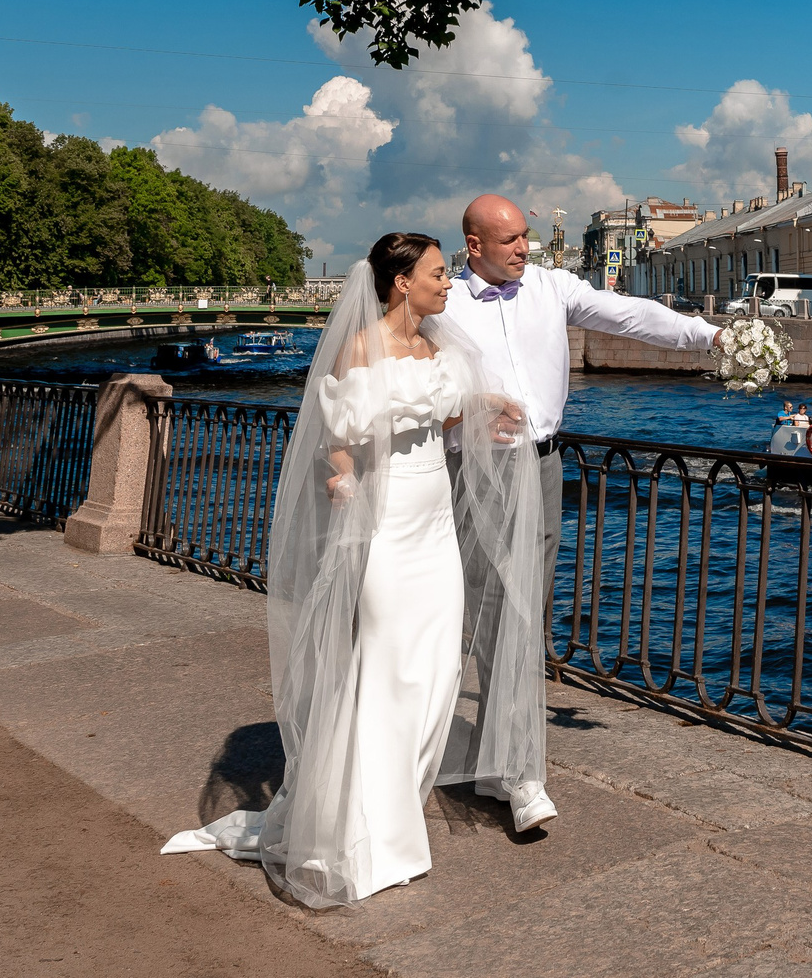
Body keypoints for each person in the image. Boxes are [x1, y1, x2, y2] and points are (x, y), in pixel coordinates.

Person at [162, 233, 542, 906]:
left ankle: (392, 805)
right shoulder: (361, 349)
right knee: (390, 672)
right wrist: (343, 482)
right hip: (388, 524)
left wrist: (491, 405)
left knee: (438, 674)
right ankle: (373, 836)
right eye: (436, 273)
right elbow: (335, 443)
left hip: (436, 531)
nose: (447, 282)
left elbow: (445, 410)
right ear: (401, 282)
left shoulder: (438, 347)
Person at [434, 193, 724, 833]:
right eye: (508, 240)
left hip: (542, 466)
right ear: (474, 246)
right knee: (493, 610)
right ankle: (520, 773)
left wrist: (712, 335)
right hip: (474, 471)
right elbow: (404, 379)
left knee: (525, 611)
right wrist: (470, 406)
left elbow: (632, 315)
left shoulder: (552, 287)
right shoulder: (444, 304)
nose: (523, 248)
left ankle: (497, 760)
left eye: (525, 237)